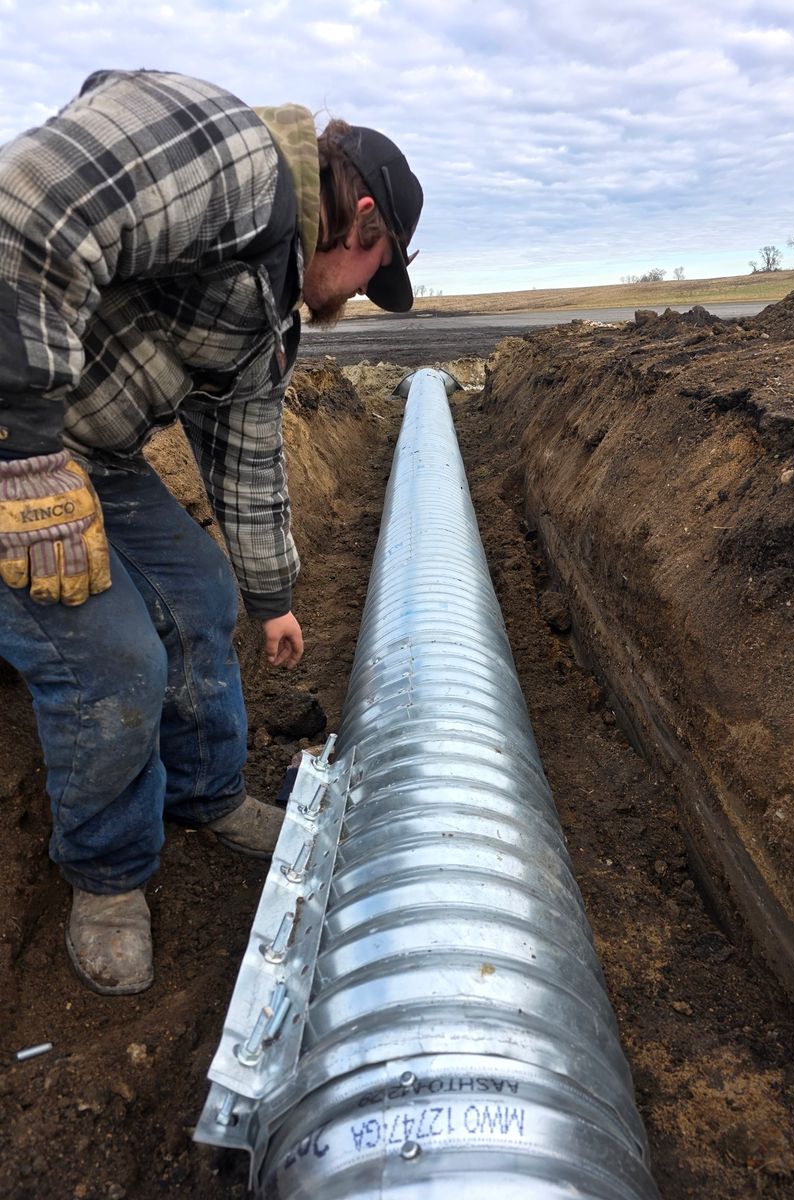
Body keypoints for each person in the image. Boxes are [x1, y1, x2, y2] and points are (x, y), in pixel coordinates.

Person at [0, 69, 422, 995]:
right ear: (360, 220)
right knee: (116, 658)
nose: (356, 293)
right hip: (18, 445)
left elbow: (248, 451)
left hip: (87, 454)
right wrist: (23, 453)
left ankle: (205, 794)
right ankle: (107, 874)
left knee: (200, 594)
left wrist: (273, 597)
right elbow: (24, 204)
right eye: (373, 272)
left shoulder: (270, 295)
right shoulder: (226, 155)